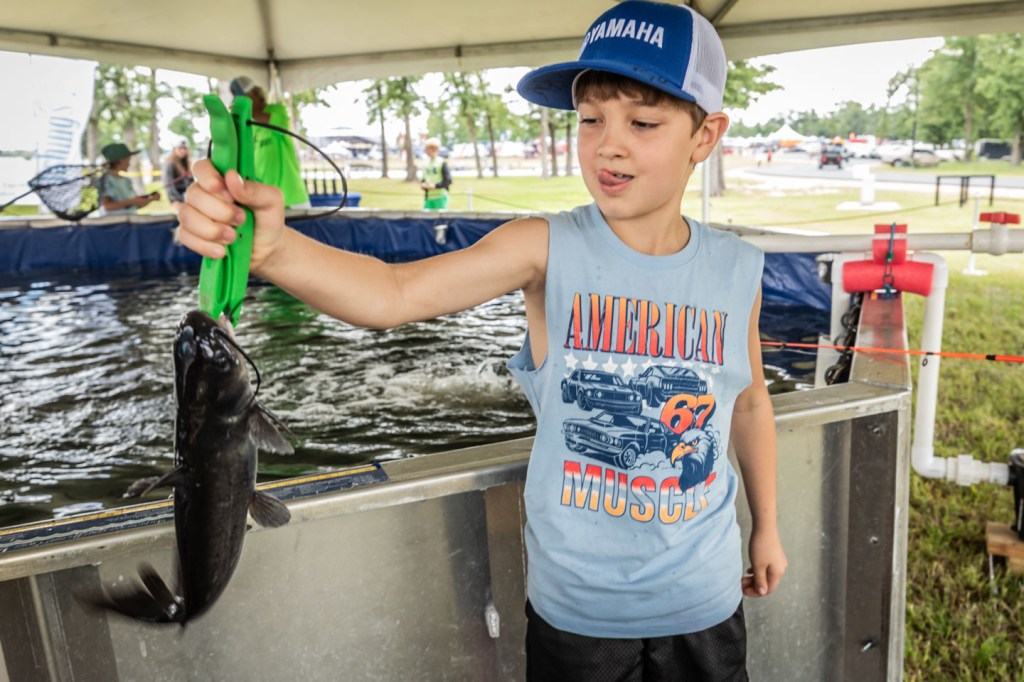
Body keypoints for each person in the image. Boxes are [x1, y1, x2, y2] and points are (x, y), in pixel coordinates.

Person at [179, 3, 786, 679]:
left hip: (704, 597)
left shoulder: (737, 268)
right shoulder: (543, 247)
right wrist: (275, 250)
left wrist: (766, 525)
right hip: (579, 612)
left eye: (642, 123)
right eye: (590, 119)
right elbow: (393, 295)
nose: (608, 145)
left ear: (706, 136)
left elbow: (749, 403)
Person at [229, 76, 310, 209]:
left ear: (255, 93)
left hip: (291, 197)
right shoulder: (248, 125)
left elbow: (270, 120)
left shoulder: (277, 110)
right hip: (265, 201)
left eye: (245, 98)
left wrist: (243, 110)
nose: (244, 104)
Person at [98, 142, 159, 217]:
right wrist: (132, 201)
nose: (129, 164)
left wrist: (151, 199)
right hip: (112, 222)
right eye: (127, 160)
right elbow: (107, 206)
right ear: (119, 161)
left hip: (130, 220)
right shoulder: (104, 180)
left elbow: (135, 206)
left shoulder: (126, 180)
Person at [163, 140, 194, 213]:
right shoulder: (170, 163)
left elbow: (191, 183)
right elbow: (168, 184)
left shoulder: (186, 163)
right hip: (177, 199)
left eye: (184, 148)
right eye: (180, 148)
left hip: (188, 198)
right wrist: (175, 200)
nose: (182, 151)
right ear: (175, 149)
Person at [420, 137, 451, 209]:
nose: (427, 151)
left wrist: (435, 186)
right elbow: (424, 179)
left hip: (440, 197)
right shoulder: (425, 163)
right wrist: (423, 185)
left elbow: (448, 180)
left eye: (429, 149)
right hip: (429, 198)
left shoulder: (441, 162)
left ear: (435, 149)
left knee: (440, 216)